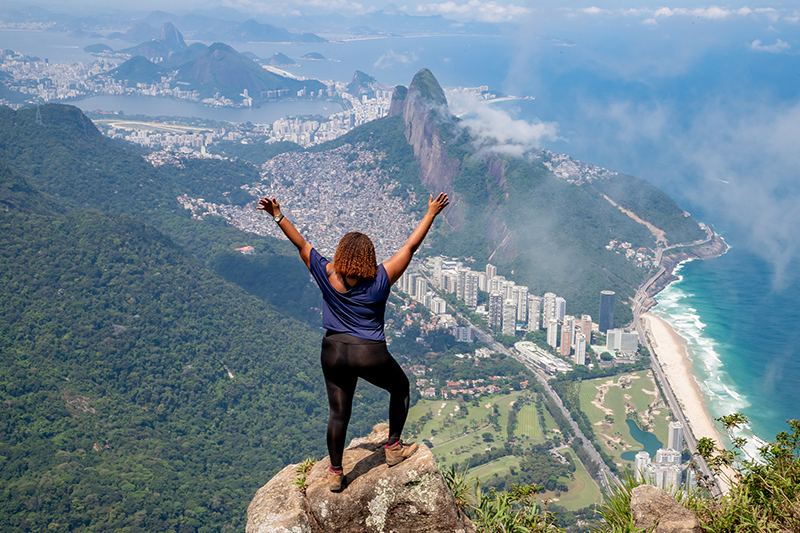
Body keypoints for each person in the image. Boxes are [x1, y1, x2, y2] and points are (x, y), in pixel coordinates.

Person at [257, 192, 450, 492]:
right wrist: (430, 214)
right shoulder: (381, 278)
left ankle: (336, 473)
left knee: (338, 412)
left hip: (332, 350)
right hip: (368, 352)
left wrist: (278, 215)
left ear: (341, 253)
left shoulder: (326, 273)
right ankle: (394, 447)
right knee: (400, 388)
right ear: (369, 257)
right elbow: (411, 246)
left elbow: (302, 244)